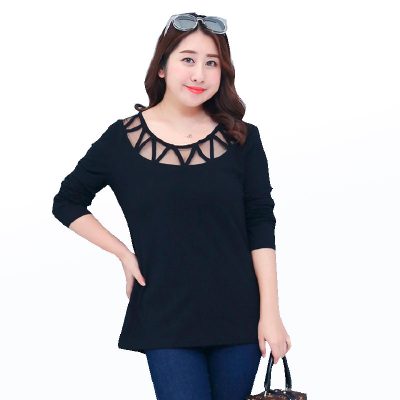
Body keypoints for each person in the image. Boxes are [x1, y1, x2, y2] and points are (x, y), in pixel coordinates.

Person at [52, 11, 292, 400]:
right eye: (188, 59)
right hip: (164, 313)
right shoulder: (121, 139)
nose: (200, 74)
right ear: (162, 67)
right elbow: (67, 201)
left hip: (239, 315)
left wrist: (271, 313)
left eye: (212, 63)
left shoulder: (242, 139)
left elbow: (260, 223)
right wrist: (124, 254)